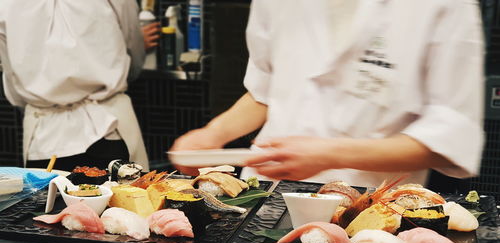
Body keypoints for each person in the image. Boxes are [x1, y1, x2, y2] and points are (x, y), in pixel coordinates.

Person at [170, 0, 484, 188]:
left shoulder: (445, 6)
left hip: (371, 206)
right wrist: (214, 134)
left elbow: (447, 138)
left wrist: (330, 155)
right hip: (266, 197)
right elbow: (266, 90)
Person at [0, 0, 149, 171]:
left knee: (49, 198)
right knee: (125, 197)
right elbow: (133, 49)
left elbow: (12, 77)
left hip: (45, 136)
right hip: (109, 125)